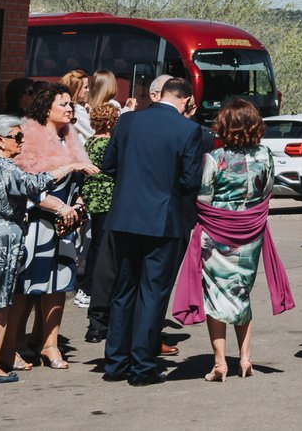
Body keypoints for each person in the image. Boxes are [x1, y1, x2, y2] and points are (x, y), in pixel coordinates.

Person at [173, 97, 292, 384]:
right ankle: (245, 358)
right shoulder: (265, 155)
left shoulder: (214, 159)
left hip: (216, 234)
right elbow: (267, 192)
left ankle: (219, 363)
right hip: (250, 234)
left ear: (224, 125)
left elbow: (203, 197)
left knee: (215, 296)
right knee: (241, 292)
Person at [0, 115, 82, 382]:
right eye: (17, 137)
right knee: (1, 303)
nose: (21, 142)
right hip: (4, 238)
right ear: (0, 141)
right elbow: (33, 185)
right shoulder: (5, 166)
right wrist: (67, 167)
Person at [100, 74, 205, 385]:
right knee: (153, 292)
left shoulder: (129, 121)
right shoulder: (189, 129)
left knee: (124, 289)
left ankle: (115, 363)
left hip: (125, 217)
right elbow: (190, 182)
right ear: (186, 100)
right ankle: (143, 365)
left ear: (162, 95)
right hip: (163, 219)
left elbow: (109, 165)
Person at [8, 79, 94, 369]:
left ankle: (50, 344)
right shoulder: (29, 139)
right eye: (64, 104)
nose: (70, 109)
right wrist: (58, 206)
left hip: (67, 224)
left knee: (59, 283)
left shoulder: (70, 138)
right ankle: (13, 344)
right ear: (47, 109)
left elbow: (81, 179)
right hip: (35, 223)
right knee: (26, 283)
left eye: (70, 104)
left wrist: (78, 205)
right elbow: (25, 185)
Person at [78, 96, 121, 345]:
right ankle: (92, 286)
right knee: (103, 243)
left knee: (95, 238)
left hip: (91, 196)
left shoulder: (89, 142)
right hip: (107, 197)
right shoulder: (108, 145)